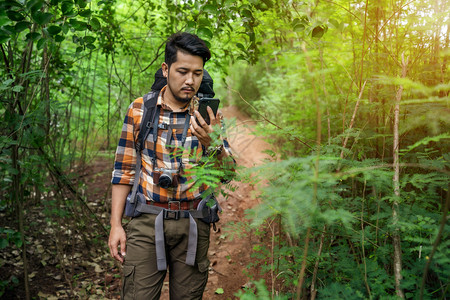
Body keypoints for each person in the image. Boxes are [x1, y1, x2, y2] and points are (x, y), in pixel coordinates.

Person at [108, 32, 234, 299]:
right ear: (166, 69)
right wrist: (116, 225)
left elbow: (228, 174)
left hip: (194, 220)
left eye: (198, 73)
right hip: (146, 220)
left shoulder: (209, 115)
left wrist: (213, 143)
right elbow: (124, 170)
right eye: (183, 71)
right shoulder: (140, 110)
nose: (190, 81)